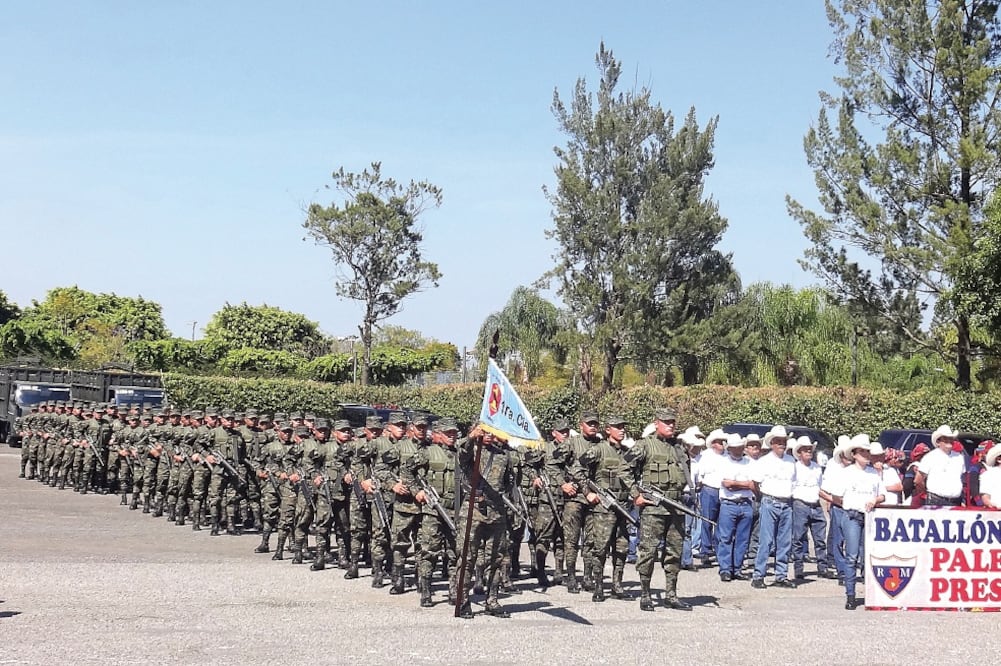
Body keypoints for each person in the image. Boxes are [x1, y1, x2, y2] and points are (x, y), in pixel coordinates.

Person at [624, 408, 692, 611]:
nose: (670, 425)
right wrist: (636, 494)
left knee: (674, 552)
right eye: (666, 422)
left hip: (676, 507)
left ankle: (671, 594)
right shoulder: (644, 445)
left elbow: (687, 474)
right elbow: (623, 469)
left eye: (672, 421)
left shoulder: (679, 448)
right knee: (648, 551)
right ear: (656, 423)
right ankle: (645, 594)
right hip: (654, 508)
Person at [454, 426, 517, 619]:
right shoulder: (470, 450)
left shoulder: (503, 456)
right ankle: (463, 601)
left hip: (496, 513)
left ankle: (492, 600)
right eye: (485, 431)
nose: (489, 435)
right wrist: (472, 437)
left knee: (496, 558)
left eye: (492, 431)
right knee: (467, 558)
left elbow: (508, 483)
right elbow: (461, 454)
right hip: (473, 512)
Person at [571, 414, 633, 602]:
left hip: (623, 505)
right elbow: (576, 468)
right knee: (601, 548)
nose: (621, 430)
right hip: (603, 508)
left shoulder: (627, 452)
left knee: (621, 547)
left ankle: (617, 585)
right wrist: (587, 491)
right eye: (617, 427)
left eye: (623, 427)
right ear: (608, 430)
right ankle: (598, 585)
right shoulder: (599, 450)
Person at [827, 434, 886, 610]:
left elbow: (882, 495)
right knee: (852, 556)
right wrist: (851, 503)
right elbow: (836, 494)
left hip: (868, 516)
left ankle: (870, 594)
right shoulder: (847, 473)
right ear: (854, 454)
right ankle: (850, 594)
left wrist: (874, 500)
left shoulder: (873, 474)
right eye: (862, 452)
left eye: (867, 452)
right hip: (852, 515)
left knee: (868, 556)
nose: (866, 455)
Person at [553, 411, 600, 593]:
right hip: (574, 498)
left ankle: (587, 577)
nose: (593, 427)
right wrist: (562, 484)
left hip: (594, 498)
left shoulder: (601, 445)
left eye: (595, 423)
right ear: (581, 425)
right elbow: (551, 462)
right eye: (589, 424)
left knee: (591, 540)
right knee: (571, 539)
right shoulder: (571, 443)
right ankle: (571, 576)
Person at [750, 425, 796, 589]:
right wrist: (763, 498)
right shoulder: (764, 461)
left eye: (783, 441)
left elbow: (794, 482)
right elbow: (755, 483)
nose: (782, 444)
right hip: (770, 501)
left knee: (784, 542)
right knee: (766, 540)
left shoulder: (791, 461)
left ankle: (781, 575)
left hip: (786, 503)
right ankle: (758, 575)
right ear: (772, 443)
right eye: (778, 441)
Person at [790, 435, 831, 580]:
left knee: (820, 539)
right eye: (805, 450)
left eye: (810, 449)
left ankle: (822, 567)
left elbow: (819, 486)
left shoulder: (817, 468)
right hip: (800, 503)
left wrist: (827, 499)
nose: (809, 452)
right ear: (799, 452)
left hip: (815, 503)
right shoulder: (794, 467)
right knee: (799, 538)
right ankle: (799, 568)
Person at [716, 434, 754, 582]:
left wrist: (737, 484)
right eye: (734, 448)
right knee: (725, 538)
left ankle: (737, 568)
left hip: (746, 503)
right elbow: (727, 484)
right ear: (730, 449)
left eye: (739, 447)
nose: (737, 450)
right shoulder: (724, 463)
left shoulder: (749, 462)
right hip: (728, 503)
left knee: (743, 539)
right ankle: (725, 569)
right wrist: (745, 485)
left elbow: (752, 484)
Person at [695, 429, 727, 568]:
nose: (722, 444)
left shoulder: (727, 456)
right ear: (713, 443)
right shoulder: (705, 456)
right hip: (709, 489)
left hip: (723, 491)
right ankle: (706, 551)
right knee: (707, 521)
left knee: (721, 524)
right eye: (720, 442)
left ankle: (720, 552)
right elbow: (700, 476)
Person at [915, 425, 966, 506]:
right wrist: (927, 493)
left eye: (950, 438)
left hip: (956, 501)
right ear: (938, 442)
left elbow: (963, 478)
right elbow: (918, 480)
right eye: (945, 438)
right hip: (936, 500)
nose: (949, 441)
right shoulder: (930, 457)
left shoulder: (959, 457)